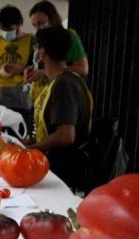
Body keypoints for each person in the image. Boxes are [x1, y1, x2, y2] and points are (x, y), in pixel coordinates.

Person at [25, 26, 93, 190]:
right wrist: (25, 143)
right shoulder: (60, 81)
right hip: (56, 166)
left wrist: (31, 150)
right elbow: (50, 130)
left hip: (63, 172)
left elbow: (65, 136)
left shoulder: (64, 85)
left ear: (41, 53)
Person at [25, 0, 89, 102]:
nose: (37, 28)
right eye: (34, 25)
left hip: (60, 93)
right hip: (40, 95)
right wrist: (32, 70)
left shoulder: (68, 36)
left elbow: (82, 69)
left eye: (41, 23)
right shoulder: (38, 39)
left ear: (52, 19)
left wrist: (44, 73)